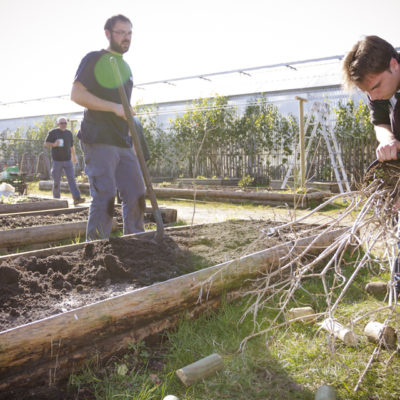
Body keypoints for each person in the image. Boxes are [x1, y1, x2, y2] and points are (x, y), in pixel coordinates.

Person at [70, 14, 146, 241]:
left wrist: (132, 140)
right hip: (99, 138)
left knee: (136, 192)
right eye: (121, 32)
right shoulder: (94, 59)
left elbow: (124, 110)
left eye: (129, 33)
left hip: (123, 141)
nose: (126, 38)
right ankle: (96, 249)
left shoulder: (126, 69)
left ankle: (136, 241)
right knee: (105, 195)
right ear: (108, 34)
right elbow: (77, 94)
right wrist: (113, 107)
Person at [342, 35, 400, 162]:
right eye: (367, 92)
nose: (372, 98)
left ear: (394, 65)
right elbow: (380, 123)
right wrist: (388, 140)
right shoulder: (378, 92)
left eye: (376, 87)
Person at [44, 117, 85, 205]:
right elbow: (46, 143)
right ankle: (56, 200)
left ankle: (77, 198)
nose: (63, 125)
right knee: (56, 181)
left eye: (65, 123)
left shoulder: (69, 133)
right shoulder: (53, 132)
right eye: (61, 123)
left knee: (72, 180)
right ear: (58, 124)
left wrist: (74, 156)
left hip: (68, 160)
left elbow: (71, 146)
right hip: (57, 161)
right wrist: (54, 144)